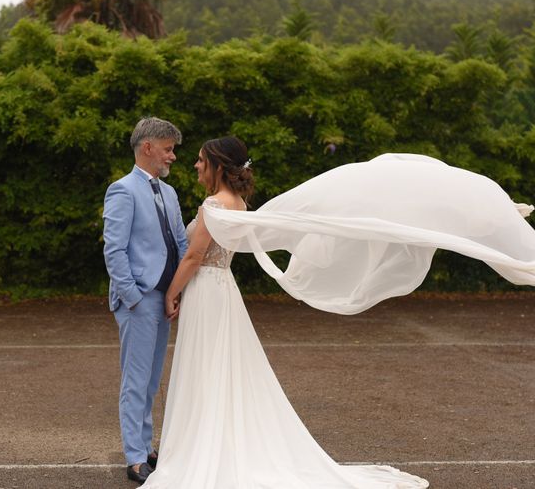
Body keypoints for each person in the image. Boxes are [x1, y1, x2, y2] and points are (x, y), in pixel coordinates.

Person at [142, 136, 431, 488]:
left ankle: (201, 447)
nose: (196, 165)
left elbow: (194, 257)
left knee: (205, 367)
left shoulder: (213, 206)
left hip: (205, 290)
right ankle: (216, 441)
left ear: (218, 165)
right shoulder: (238, 204)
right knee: (219, 368)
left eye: (202, 160)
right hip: (222, 291)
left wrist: (172, 293)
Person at [103, 117, 189, 485]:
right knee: (136, 379)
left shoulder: (169, 193)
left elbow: (181, 243)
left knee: (152, 378)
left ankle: (147, 445)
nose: (172, 156)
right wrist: (133, 297)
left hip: (164, 297)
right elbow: (114, 250)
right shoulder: (121, 190)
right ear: (148, 147)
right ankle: (135, 457)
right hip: (139, 299)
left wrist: (179, 290)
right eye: (168, 149)